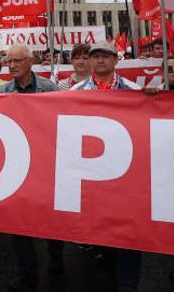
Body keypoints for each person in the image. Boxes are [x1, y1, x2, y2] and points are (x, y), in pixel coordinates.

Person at [71, 42, 143, 292]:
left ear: (116, 60)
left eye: (106, 56)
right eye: (96, 56)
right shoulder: (75, 91)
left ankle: (127, 284)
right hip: (91, 170)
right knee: (100, 230)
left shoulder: (135, 90)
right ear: (90, 62)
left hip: (126, 171)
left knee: (128, 230)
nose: (100, 60)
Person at [0, 44, 64, 290]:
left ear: (30, 61)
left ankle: (55, 256)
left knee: (51, 217)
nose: (12, 65)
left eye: (17, 60)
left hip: (46, 163)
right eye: (9, 60)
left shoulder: (49, 89)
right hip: (16, 165)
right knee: (19, 220)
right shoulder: (2, 91)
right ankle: (27, 272)